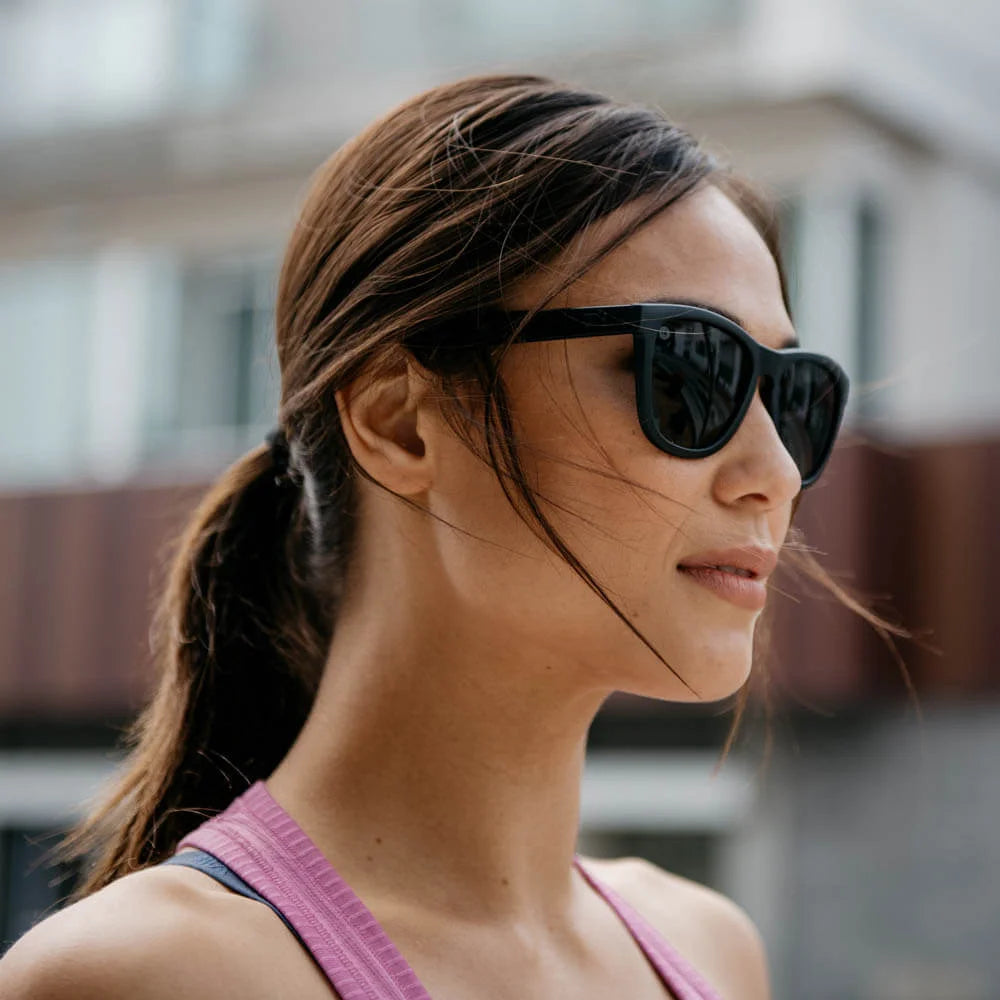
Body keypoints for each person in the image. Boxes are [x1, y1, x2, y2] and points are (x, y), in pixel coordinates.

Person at [1, 72, 864, 999]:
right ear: (400, 422)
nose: (777, 472)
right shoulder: (148, 977)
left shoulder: (711, 948)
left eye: (793, 396)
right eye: (688, 373)